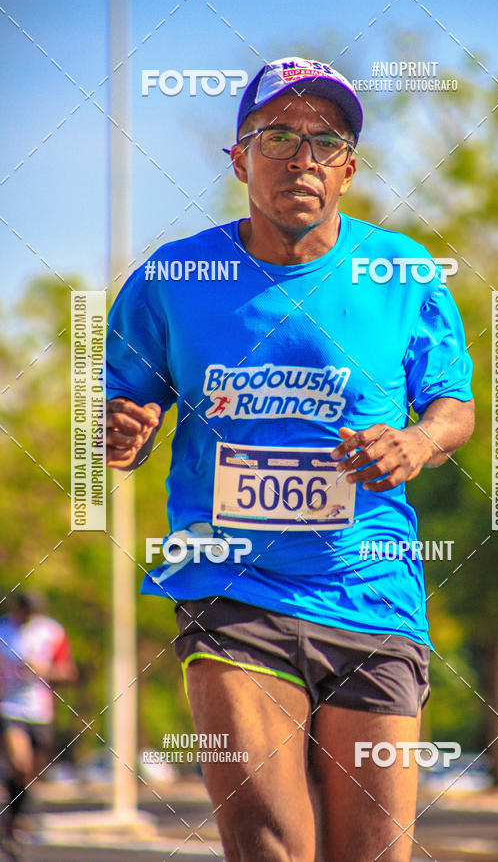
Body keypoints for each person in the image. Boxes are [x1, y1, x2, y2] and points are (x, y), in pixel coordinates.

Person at [105, 56, 475, 861]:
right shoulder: (173, 278)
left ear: (348, 168)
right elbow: (123, 403)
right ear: (239, 157)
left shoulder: (402, 272)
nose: (300, 156)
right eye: (277, 135)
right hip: (232, 586)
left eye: (324, 139)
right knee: (270, 844)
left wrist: (416, 440)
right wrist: (122, 428)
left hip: (371, 593)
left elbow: (453, 406)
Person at [0, 593, 77, 850]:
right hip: (9, 708)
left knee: (31, 773)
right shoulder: (3, 631)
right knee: (19, 762)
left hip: (40, 711)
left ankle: (14, 820)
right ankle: (11, 823)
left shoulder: (51, 632)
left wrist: (45, 671)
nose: (26, 619)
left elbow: (68, 671)